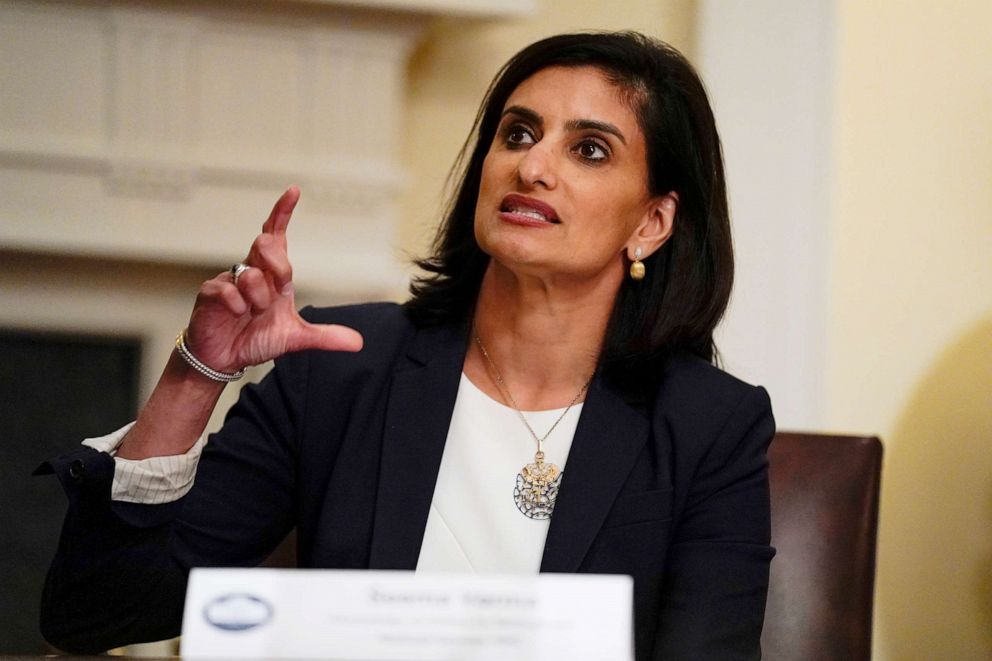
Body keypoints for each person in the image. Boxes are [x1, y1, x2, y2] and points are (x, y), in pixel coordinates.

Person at [38, 31, 775, 660]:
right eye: (517, 133)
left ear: (651, 221)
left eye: (588, 149)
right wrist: (195, 374)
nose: (532, 166)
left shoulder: (708, 426)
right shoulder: (345, 367)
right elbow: (96, 613)